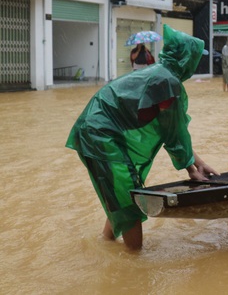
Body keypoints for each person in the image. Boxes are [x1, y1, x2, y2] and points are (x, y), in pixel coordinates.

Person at [66, 25, 217, 250]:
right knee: (128, 197)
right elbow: (175, 135)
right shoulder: (166, 81)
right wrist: (191, 170)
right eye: (195, 58)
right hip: (99, 133)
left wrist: (198, 164)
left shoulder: (161, 74)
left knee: (119, 193)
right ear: (187, 59)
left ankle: (106, 245)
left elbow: (173, 130)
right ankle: (133, 264)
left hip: (95, 131)